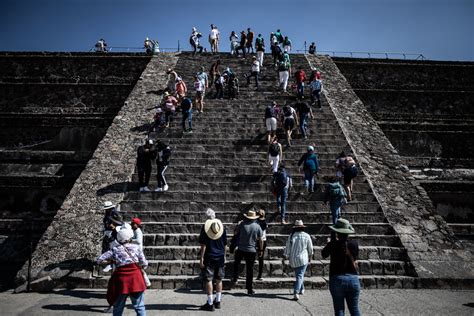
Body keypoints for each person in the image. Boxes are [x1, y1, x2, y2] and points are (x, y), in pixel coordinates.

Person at [97, 227, 148, 316]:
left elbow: (99, 259)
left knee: (118, 306)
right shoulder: (136, 248)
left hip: (121, 281)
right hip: (136, 279)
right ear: (129, 238)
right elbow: (144, 263)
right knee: (139, 306)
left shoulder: (115, 249)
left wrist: (111, 261)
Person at [322, 218, 360, 316]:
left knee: (339, 310)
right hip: (353, 279)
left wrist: (330, 242)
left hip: (337, 279)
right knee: (355, 310)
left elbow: (324, 254)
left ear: (336, 231)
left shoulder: (333, 244)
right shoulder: (354, 244)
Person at [199, 215, 227, 311]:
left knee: (209, 280)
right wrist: (224, 256)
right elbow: (225, 244)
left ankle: (210, 303)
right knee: (219, 279)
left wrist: (201, 258)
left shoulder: (205, 229)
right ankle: (218, 301)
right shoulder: (221, 227)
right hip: (220, 257)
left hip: (209, 257)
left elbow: (203, 246)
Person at [231, 210, 263, 295]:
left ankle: (235, 278)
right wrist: (261, 250)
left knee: (236, 263)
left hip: (241, 248)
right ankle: (249, 288)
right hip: (251, 250)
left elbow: (235, 233)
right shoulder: (257, 226)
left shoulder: (242, 224)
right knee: (250, 270)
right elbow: (260, 239)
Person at [284, 220, 313, 301]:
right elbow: (310, 248)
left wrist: (286, 256)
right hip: (303, 259)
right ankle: (296, 292)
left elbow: (287, 248)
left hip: (294, 259)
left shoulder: (291, 236)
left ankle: (301, 289)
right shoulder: (306, 236)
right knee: (300, 275)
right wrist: (310, 256)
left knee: (299, 275)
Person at [256, 209, 267, 281]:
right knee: (261, 258)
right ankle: (259, 275)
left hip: (257, 240)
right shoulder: (265, 222)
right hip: (263, 240)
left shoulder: (256, 222)